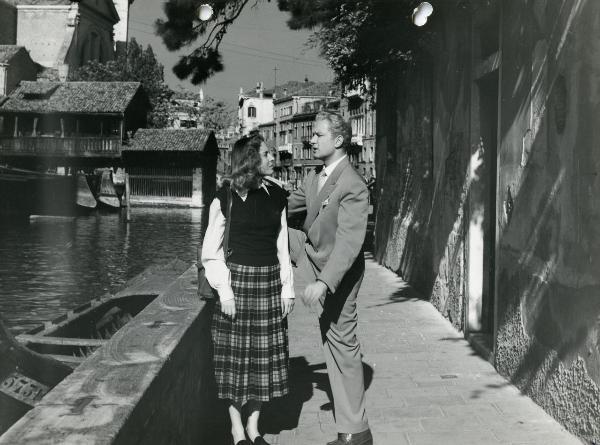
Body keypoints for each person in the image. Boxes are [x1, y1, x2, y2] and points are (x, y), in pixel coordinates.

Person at [202, 133, 295, 445]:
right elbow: (210, 252)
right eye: (267, 154)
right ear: (252, 159)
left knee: (262, 361)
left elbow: (283, 247)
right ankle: (236, 429)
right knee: (232, 363)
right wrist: (225, 292)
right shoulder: (224, 197)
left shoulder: (278, 196)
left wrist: (287, 289)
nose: (273, 158)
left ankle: (254, 427)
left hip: (269, 284)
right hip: (237, 284)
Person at [288, 110, 372, 445]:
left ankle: (356, 432)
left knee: (343, 346)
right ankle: (350, 426)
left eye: (318, 135)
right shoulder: (315, 177)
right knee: (333, 346)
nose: (312, 139)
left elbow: (351, 241)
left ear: (338, 140)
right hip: (314, 257)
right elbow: (289, 207)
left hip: (338, 273)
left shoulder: (353, 185)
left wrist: (323, 282)